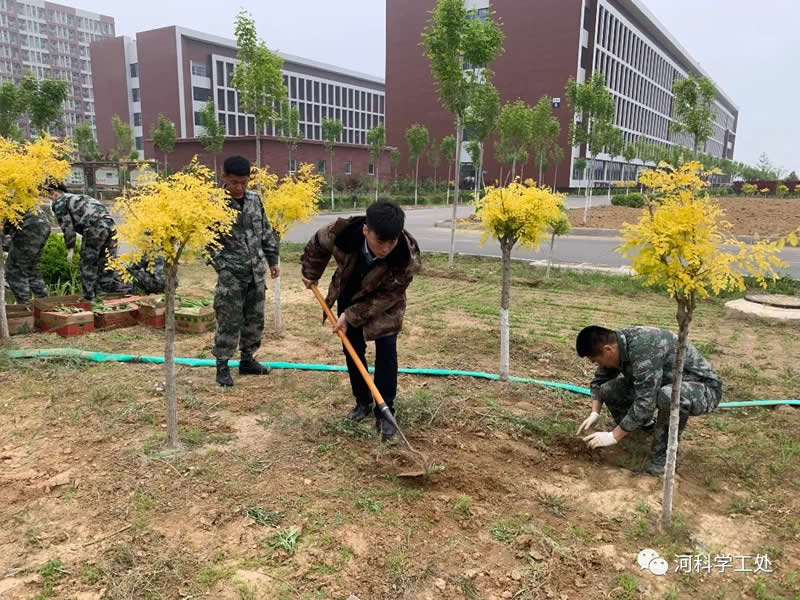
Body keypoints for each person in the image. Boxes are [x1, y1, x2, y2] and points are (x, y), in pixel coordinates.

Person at [300, 201, 421, 442]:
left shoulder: (406, 258)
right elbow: (316, 245)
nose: (386, 249)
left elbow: (389, 296)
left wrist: (352, 315)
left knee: (387, 352)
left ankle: (385, 411)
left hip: (385, 304)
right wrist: (311, 273)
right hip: (351, 291)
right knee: (352, 348)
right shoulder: (341, 232)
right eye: (380, 242)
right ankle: (362, 402)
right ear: (366, 230)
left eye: (391, 242)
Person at [575, 325, 722, 476]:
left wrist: (613, 436)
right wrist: (595, 412)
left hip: (702, 389)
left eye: (597, 361)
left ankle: (664, 455)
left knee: (668, 395)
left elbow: (646, 403)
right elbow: (599, 383)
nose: (599, 365)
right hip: (662, 384)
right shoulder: (617, 346)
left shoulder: (643, 348)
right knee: (609, 390)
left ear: (607, 350)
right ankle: (641, 435)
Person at [209, 155, 280, 388]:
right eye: (234, 182)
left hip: (256, 271)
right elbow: (207, 243)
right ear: (224, 177)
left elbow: (266, 231)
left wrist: (272, 260)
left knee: (254, 318)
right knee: (228, 320)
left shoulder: (254, 200)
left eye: (244, 182)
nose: (239, 187)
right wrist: (223, 268)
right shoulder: (213, 204)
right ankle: (222, 365)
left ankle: (247, 360)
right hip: (231, 274)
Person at [47, 181, 129, 300]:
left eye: (48, 195)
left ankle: (89, 299)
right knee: (107, 263)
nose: (49, 198)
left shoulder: (59, 202)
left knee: (88, 264)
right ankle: (105, 296)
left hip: (94, 227)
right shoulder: (81, 197)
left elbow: (67, 226)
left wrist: (70, 248)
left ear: (53, 192)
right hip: (111, 226)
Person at [2, 205, 50, 305]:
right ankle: (46, 306)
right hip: (41, 223)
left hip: (29, 225)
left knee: (15, 271)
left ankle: (25, 310)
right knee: (31, 269)